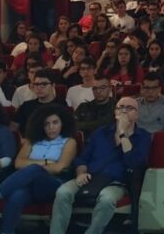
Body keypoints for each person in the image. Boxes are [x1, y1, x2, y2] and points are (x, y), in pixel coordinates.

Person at [50, 96, 152, 234]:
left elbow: (134, 163)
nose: (124, 111)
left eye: (129, 108)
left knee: (107, 199)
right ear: (115, 112)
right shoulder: (100, 133)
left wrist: (123, 134)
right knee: (63, 192)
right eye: (120, 107)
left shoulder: (143, 136)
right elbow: (82, 159)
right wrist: (81, 173)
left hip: (117, 182)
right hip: (90, 177)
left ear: (137, 114)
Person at [0, 105, 77, 228]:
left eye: (55, 123)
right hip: (28, 184)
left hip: (54, 183)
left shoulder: (69, 142)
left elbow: (59, 168)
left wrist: (34, 166)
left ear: (63, 123)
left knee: (33, 169)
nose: (51, 127)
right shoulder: (32, 141)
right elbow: (19, 163)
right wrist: (46, 162)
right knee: (17, 195)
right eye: (46, 124)